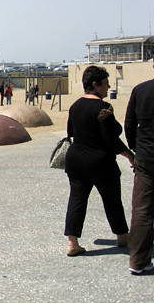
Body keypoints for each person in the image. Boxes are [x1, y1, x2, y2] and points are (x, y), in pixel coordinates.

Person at [63, 66, 133, 256]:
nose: (107, 87)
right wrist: (130, 155)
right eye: (105, 84)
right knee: (112, 199)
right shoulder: (103, 108)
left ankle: (72, 243)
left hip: (76, 160)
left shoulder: (75, 105)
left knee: (77, 199)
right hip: (100, 162)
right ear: (95, 84)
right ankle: (122, 236)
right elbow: (111, 138)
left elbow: (71, 132)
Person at [125, 64, 154, 274]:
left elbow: (129, 124)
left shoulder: (141, 90)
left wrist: (136, 148)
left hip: (146, 156)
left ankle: (138, 261)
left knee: (143, 210)